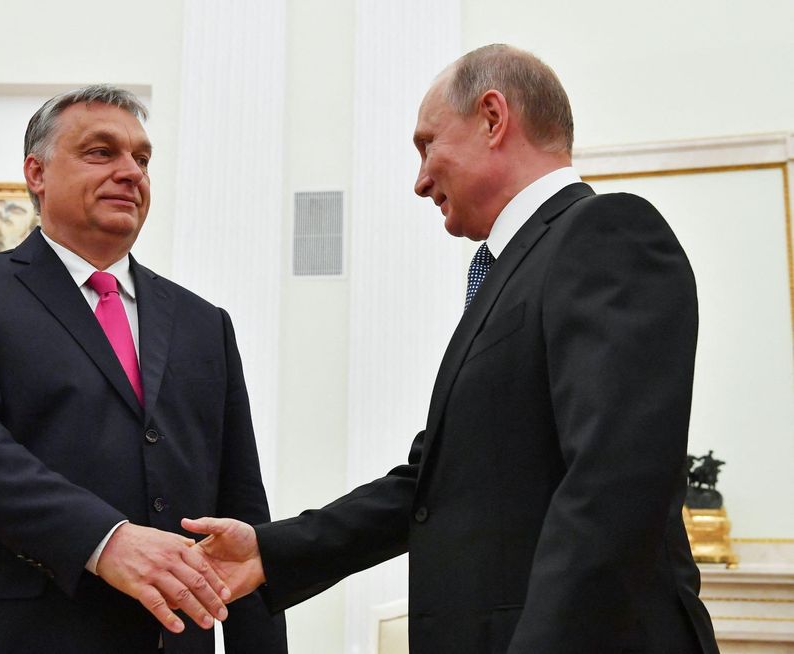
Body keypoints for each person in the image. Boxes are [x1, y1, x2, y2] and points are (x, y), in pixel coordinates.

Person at [184, 45, 719, 653]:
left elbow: (615, 485)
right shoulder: (509, 271)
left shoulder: (606, 232)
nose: (419, 181)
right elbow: (433, 485)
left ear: (493, 118)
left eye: (427, 144)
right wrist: (270, 550)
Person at [0, 85, 287, 653]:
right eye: (102, 152)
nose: (131, 172)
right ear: (37, 173)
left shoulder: (206, 323)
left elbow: (241, 506)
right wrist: (104, 540)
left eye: (142, 158)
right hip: (10, 634)